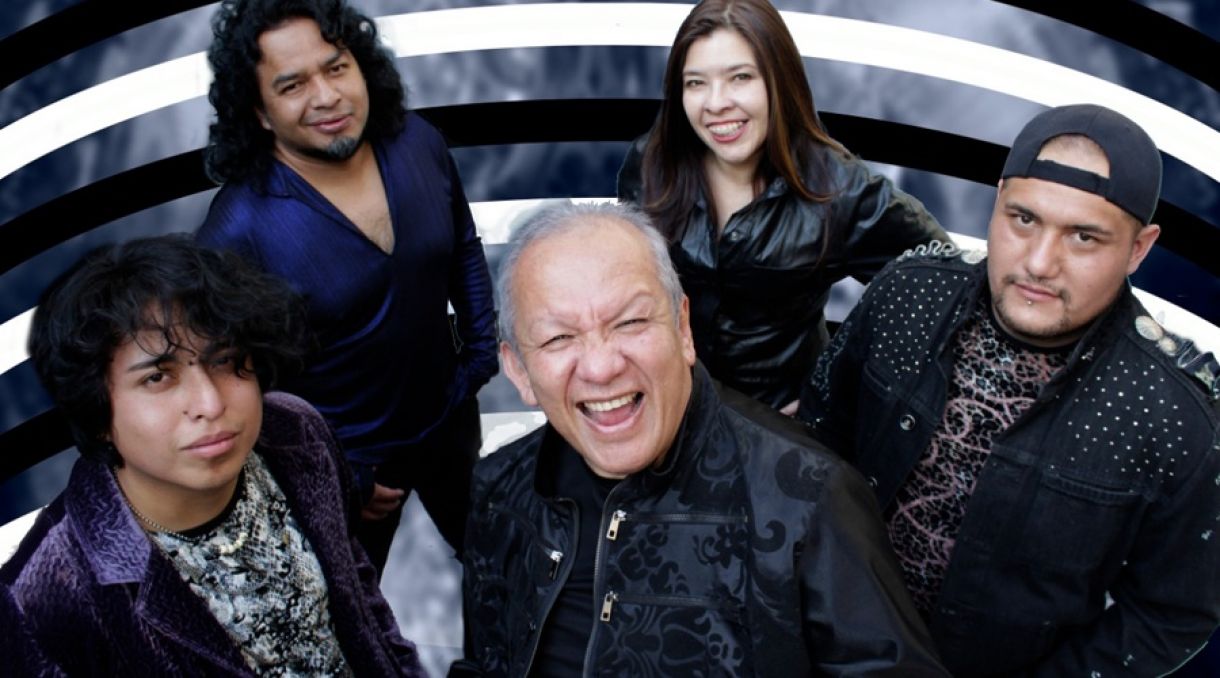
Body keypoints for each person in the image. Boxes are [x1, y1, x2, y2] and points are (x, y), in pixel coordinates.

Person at [798, 103, 1220, 676]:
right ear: (997, 202)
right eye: (1024, 219)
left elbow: (1172, 613)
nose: (1040, 263)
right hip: (821, 643)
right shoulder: (907, 293)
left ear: (1139, 249)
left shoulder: (1175, 413)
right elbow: (816, 444)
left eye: (1084, 237)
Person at [453, 202, 947, 676]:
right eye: (559, 338)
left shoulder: (810, 497)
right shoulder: (498, 489)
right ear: (519, 370)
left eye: (630, 322)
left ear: (683, 328)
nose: (601, 367)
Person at [1, 235, 423, 675]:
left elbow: (358, 590)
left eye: (225, 359)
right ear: (96, 413)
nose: (211, 403)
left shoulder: (297, 431)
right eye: (158, 378)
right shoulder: (43, 594)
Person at [197, 0, 497, 568]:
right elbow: (226, 383)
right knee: (352, 612)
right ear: (260, 112)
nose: (327, 96)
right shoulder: (237, 230)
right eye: (293, 85)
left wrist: (481, 353)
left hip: (449, 420)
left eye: (336, 68)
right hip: (353, 469)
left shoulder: (417, 142)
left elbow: (461, 242)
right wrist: (337, 472)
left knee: (497, 570)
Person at [617, 0, 947, 413]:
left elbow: (940, 285)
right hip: (677, 413)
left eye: (740, 77)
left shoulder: (838, 189)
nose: (715, 103)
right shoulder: (650, 165)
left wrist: (844, 387)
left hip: (783, 428)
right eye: (696, 83)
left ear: (779, 80)